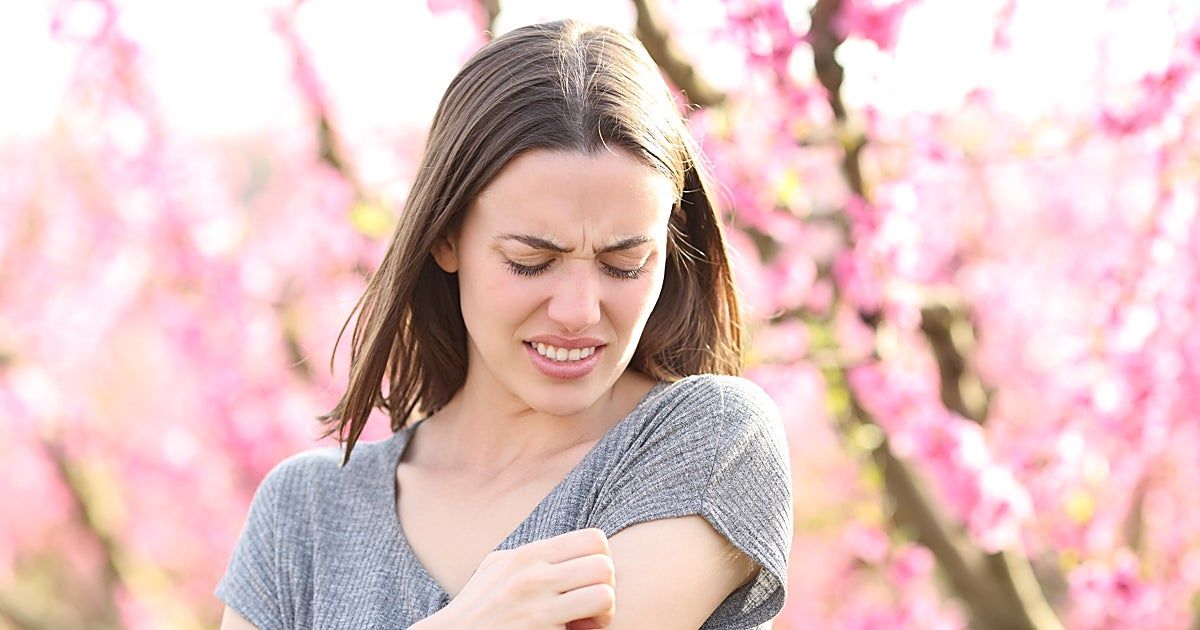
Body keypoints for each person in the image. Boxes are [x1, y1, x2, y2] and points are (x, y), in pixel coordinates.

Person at [215, 18, 792, 630]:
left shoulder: (710, 441)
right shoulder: (301, 516)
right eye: (530, 262)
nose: (578, 311)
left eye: (624, 264)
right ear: (445, 239)